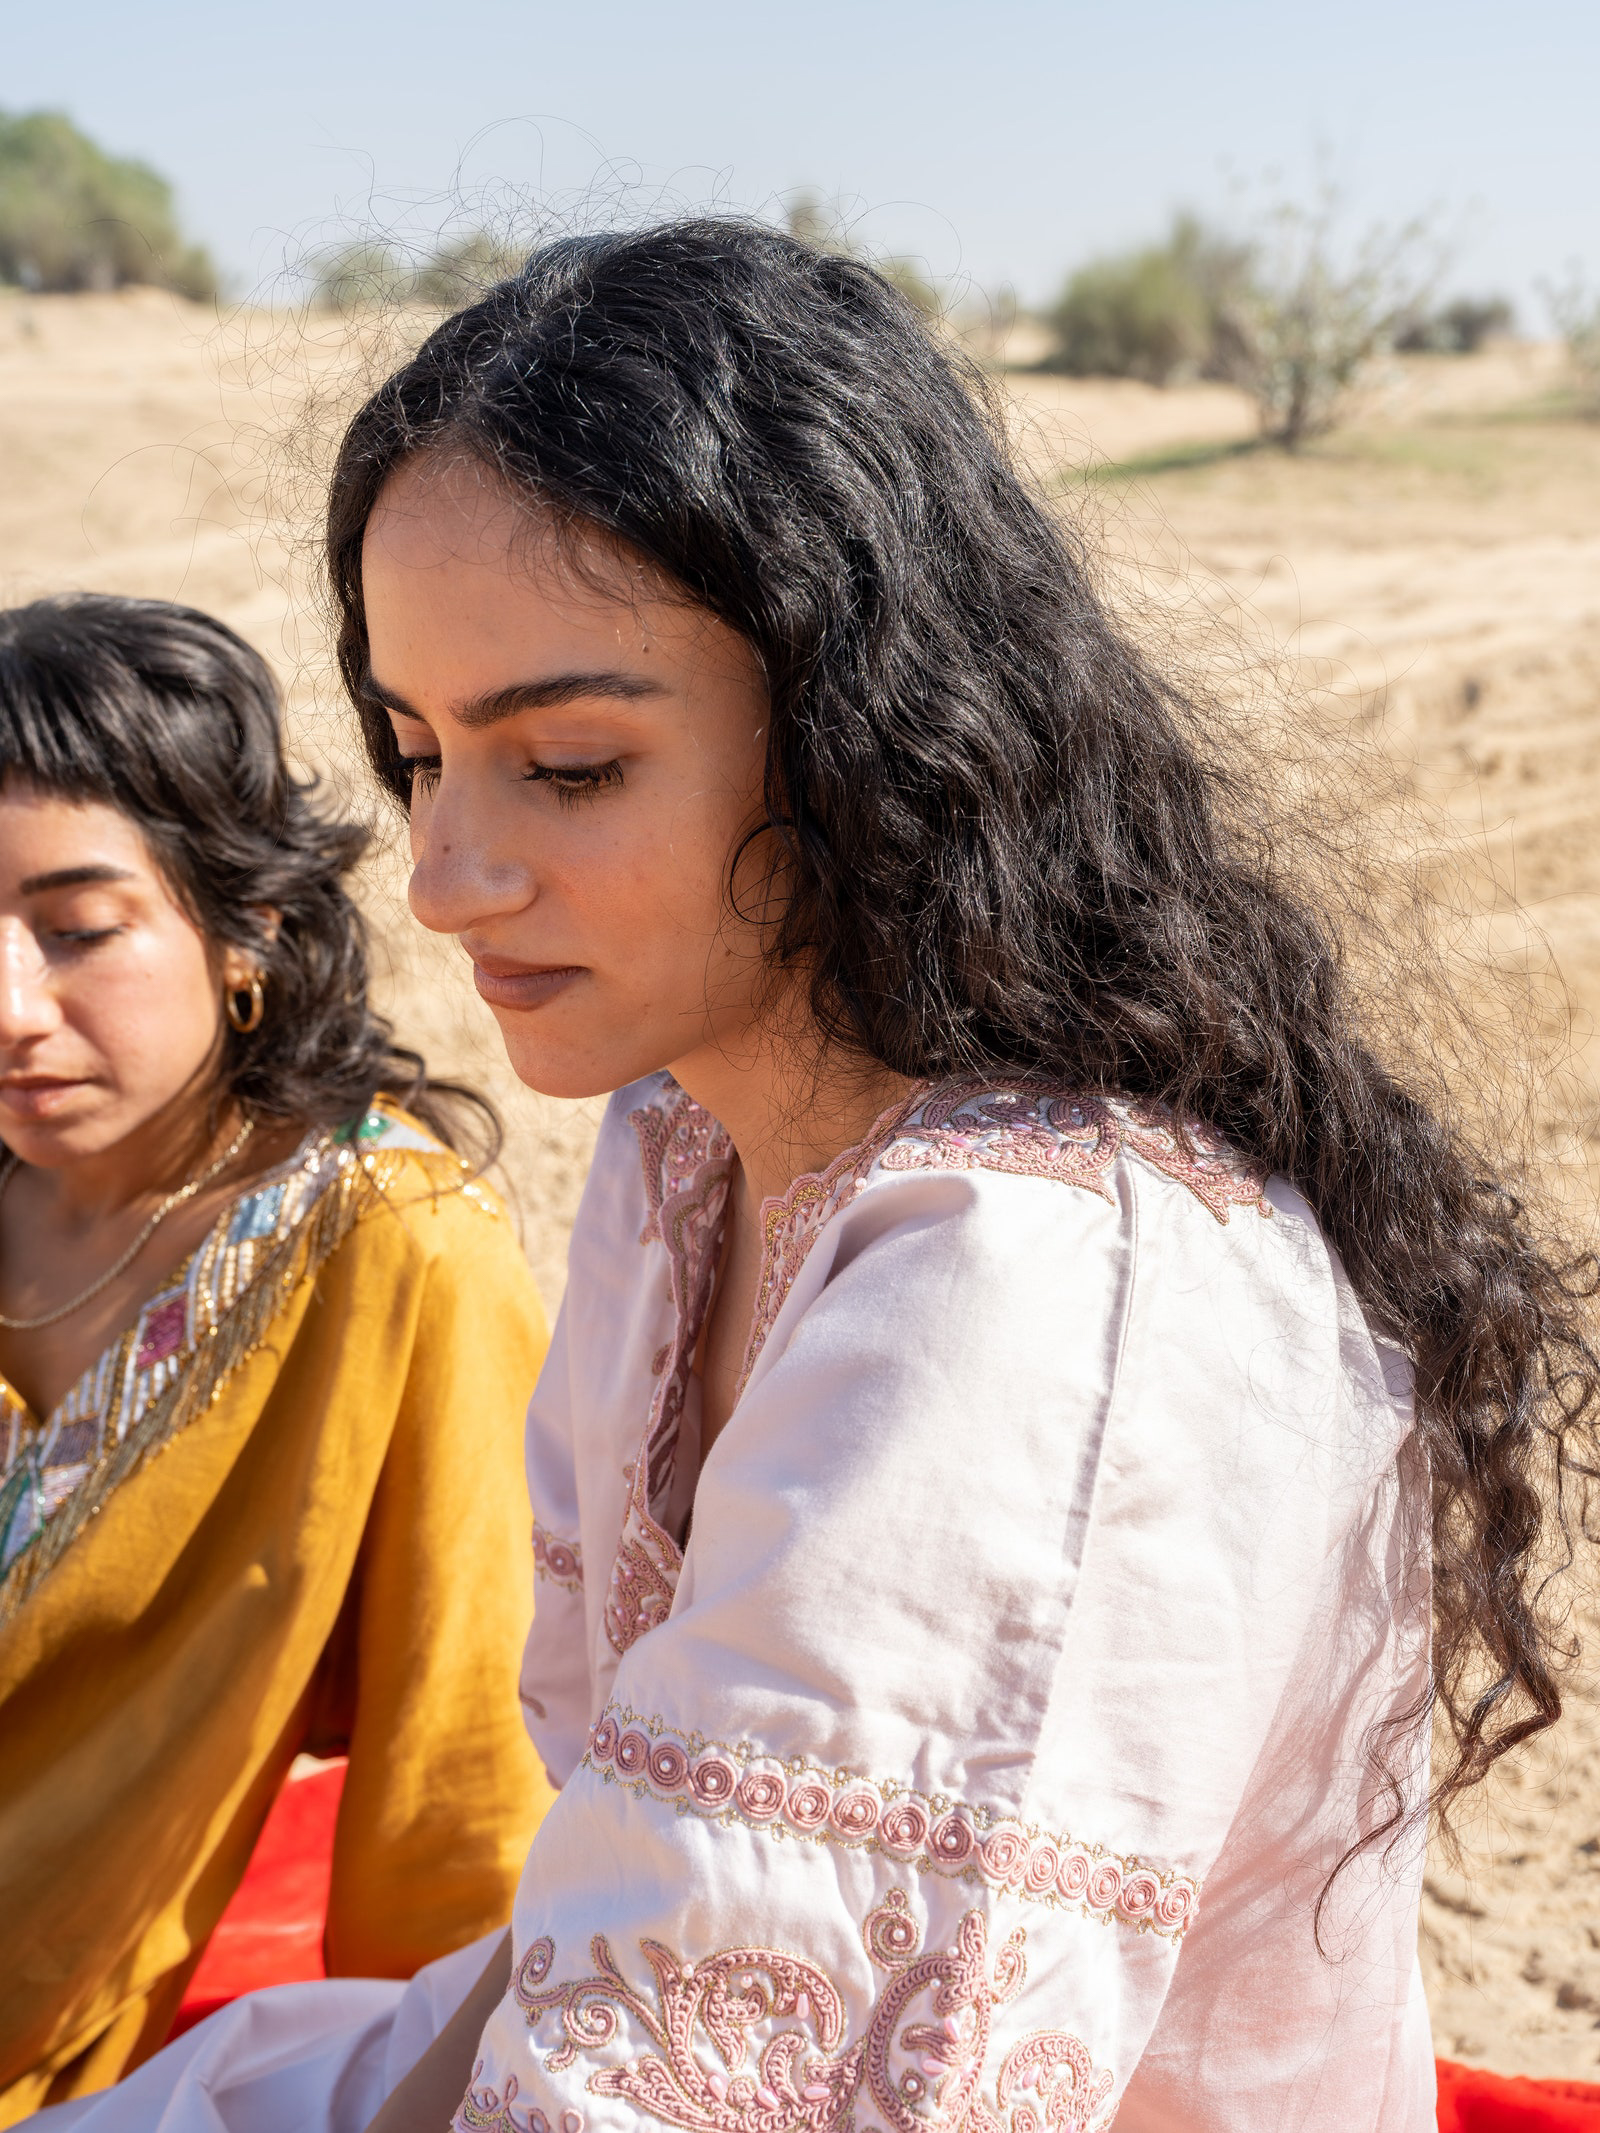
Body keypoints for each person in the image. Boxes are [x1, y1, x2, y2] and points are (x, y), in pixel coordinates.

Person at [33, 223, 1600, 2133]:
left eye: (572, 766)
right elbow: (578, 1934)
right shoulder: (682, 1143)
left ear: (865, 725)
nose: (443, 877)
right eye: (417, 750)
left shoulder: (1035, 1289)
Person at [0, 596, 556, 2125]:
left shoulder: (394, 1244)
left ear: (242, 922)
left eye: (77, 927)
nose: (7, 1006)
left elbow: (466, 1777)